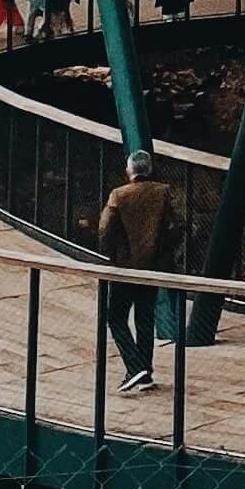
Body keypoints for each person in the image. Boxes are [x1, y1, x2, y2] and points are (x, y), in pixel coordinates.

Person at [96, 151, 183, 393]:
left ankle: (135, 367)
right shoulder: (162, 192)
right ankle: (144, 372)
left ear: (130, 171)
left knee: (115, 317)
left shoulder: (119, 195)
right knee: (145, 319)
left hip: (125, 269)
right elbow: (177, 225)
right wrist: (164, 255)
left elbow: (105, 229)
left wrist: (112, 256)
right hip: (152, 268)